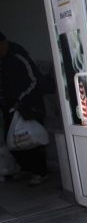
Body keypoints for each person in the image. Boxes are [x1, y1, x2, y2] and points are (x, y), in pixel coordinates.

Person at [0, 31, 49, 186]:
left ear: (4, 43)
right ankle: (26, 168)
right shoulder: (2, 61)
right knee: (13, 140)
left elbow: (35, 80)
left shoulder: (18, 56)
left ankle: (40, 172)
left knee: (32, 139)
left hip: (28, 106)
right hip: (9, 107)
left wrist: (20, 99)